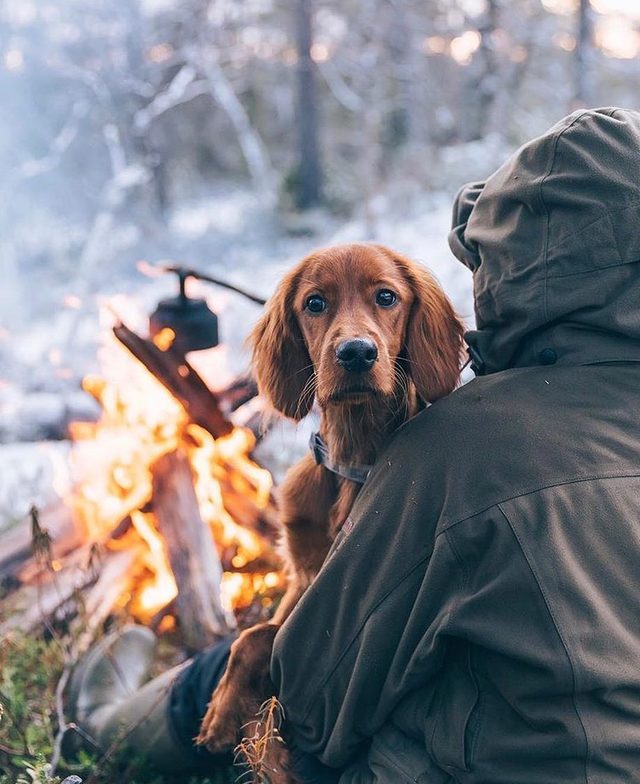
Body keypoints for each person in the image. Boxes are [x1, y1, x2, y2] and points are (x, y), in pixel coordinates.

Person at [69, 106, 640, 782]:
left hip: (466, 763)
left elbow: (310, 695)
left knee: (250, 688)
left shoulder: (465, 448)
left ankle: (98, 735)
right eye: (319, 307)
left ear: (518, 268)